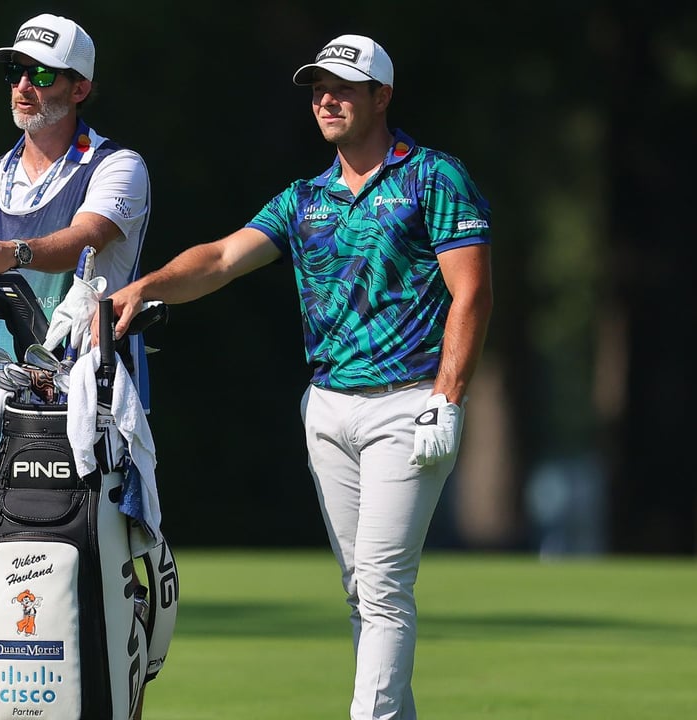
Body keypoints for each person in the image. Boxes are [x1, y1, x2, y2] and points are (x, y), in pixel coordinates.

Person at [107, 34, 492, 720]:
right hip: (328, 410)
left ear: (383, 96)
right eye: (318, 87)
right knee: (362, 589)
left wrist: (448, 399)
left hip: (408, 406)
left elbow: (472, 293)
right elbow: (224, 257)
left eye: (344, 87)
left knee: (382, 588)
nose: (328, 98)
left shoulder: (434, 177)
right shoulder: (305, 198)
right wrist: (146, 287)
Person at [0, 13, 153, 715]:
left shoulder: (117, 167)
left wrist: (14, 255)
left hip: (91, 402)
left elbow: (85, 237)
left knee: (98, 570)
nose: (25, 86)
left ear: (81, 86)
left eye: (43, 73)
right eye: (16, 72)